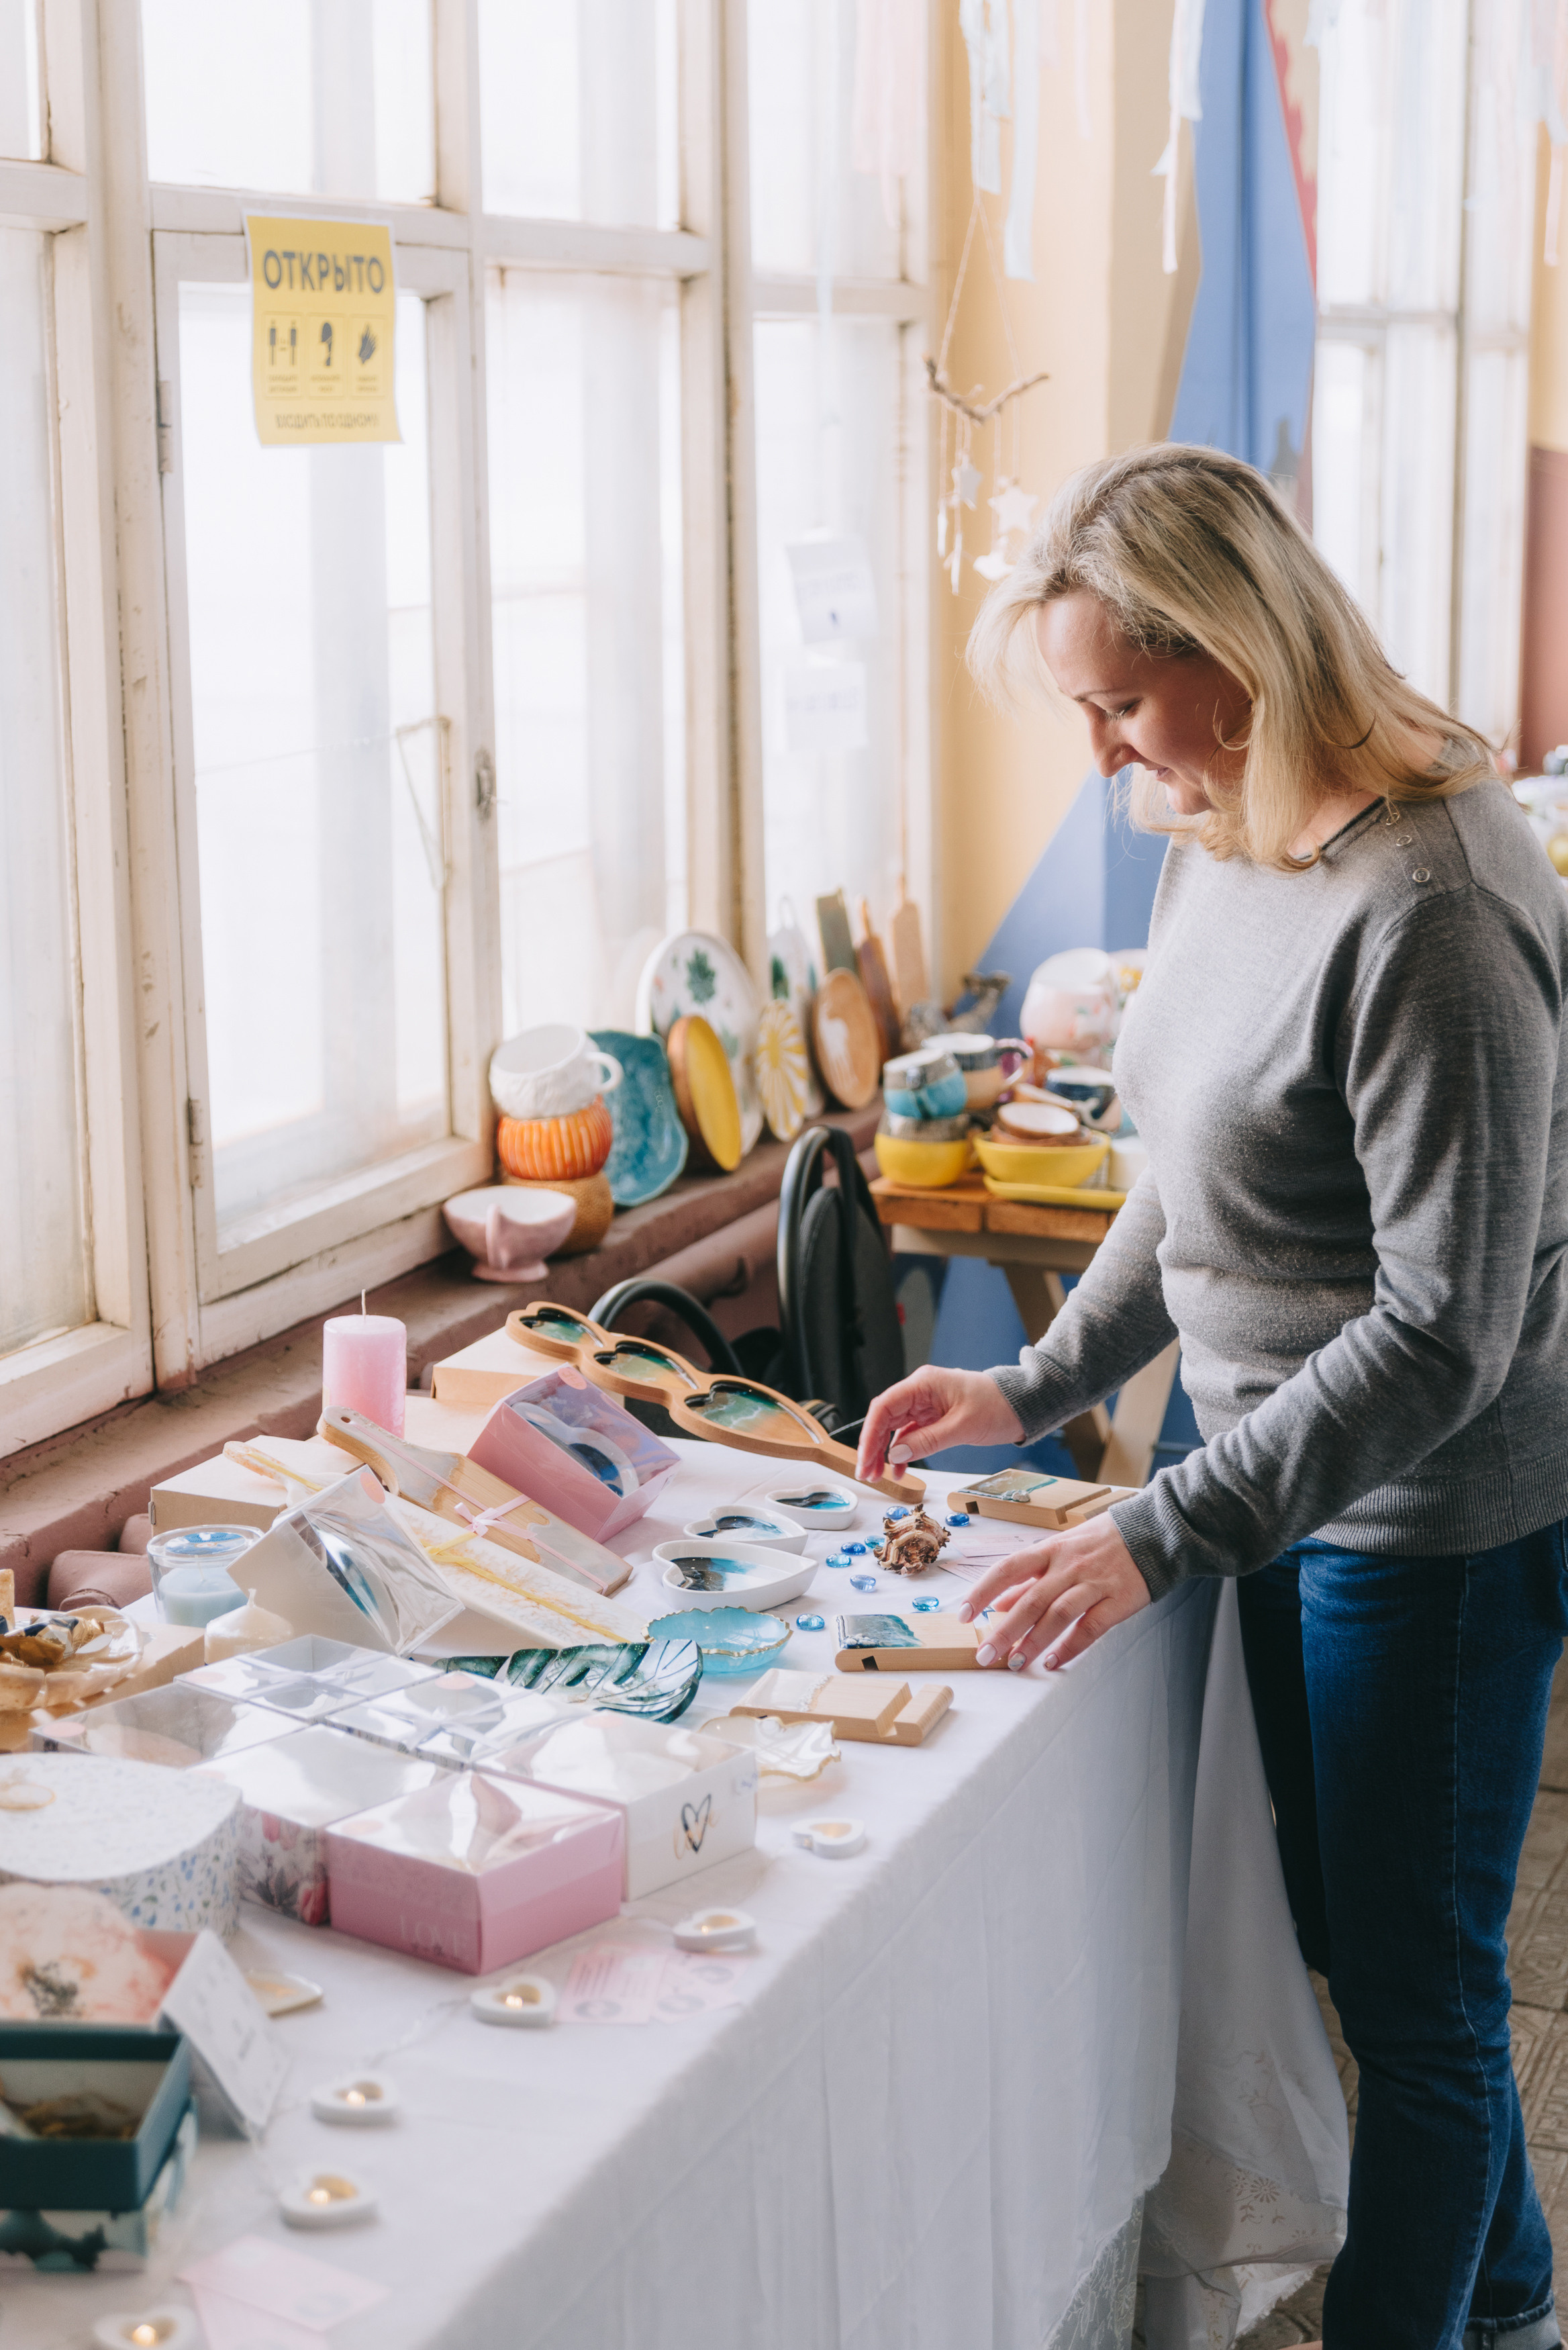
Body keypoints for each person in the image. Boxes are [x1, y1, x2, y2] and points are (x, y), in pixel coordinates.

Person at [856, 442, 1568, 2350]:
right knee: (1333, 1928)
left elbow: (1445, 1329)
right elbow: (1177, 1158)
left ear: (1235, 649)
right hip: (1252, 1465)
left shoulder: (1434, 905)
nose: (1102, 756)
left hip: (1425, 1518)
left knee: (1417, 1994)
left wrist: (1159, 1526)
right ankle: (1511, 2285)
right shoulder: (1223, 824)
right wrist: (1033, 1379)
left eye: (1114, 703)